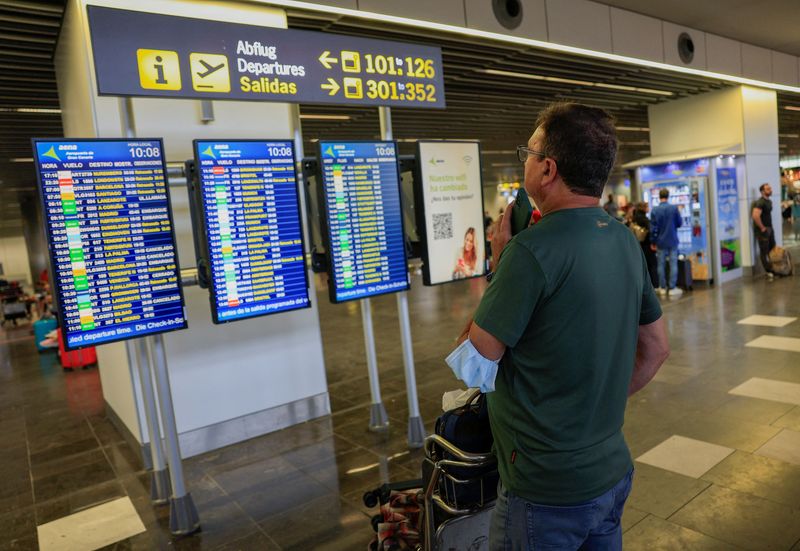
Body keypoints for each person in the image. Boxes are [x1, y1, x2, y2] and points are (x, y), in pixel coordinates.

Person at [446, 102, 669, 550]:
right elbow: (657, 347)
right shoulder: (623, 239)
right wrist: (592, 408)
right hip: (611, 471)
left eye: (527, 152)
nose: (524, 160)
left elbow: (472, 362)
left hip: (545, 490)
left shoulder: (529, 251)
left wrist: (500, 261)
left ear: (547, 169)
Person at [650, 188, 683, 296]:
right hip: (673, 240)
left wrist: (653, 241)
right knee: (673, 263)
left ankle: (662, 287)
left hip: (660, 242)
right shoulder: (673, 208)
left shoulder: (655, 210)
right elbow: (679, 223)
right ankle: (672, 288)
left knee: (661, 264)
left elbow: (653, 228)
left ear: (659, 196)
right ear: (668, 196)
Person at [752, 183, 776, 279]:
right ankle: (768, 271)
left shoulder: (769, 201)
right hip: (763, 231)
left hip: (770, 228)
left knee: (772, 248)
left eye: (770, 188)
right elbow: (755, 216)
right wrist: (762, 228)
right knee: (764, 251)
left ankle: (774, 268)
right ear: (762, 192)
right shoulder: (760, 202)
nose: (770, 190)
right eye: (767, 189)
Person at [633, 202, 658, 288]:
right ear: (643, 208)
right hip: (647, 245)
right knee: (653, 265)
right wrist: (653, 243)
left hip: (639, 245)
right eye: (647, 206)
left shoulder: (634, 217)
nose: (648, 208)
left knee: (645, 266)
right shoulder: (644, 219)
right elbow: (650, 230)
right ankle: (655, 285)